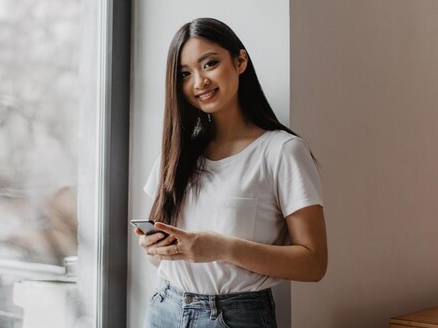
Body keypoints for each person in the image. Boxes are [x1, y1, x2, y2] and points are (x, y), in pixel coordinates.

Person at [134, 18, 327, 328]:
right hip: (164, 309)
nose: (199, 82)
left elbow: (314, 263)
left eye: (209, 64)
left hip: (235, 317)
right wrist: (155, 248)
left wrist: (222, 248)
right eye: (185, 74)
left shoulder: (282, 151)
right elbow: (159, 257)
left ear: (240, 61)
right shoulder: (178, 153)